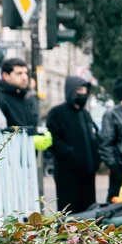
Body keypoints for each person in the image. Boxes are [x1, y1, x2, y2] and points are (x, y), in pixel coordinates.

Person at [46, 76, 100, 213]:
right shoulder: (57, 113)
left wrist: (96, 160)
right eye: (79, 89)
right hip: (67, 175)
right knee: (69, 214)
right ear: (71, 91)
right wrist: (71, 154)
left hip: (88, 174)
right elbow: (53, 140)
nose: (83, 93)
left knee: (88, 214)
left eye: (85, 89)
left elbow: (94, 138)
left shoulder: (86, 114)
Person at [0, 58, 39, 130]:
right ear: (5, 76)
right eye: (19, 73)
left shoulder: (26, 96)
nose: (24, 77)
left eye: (25, 73)